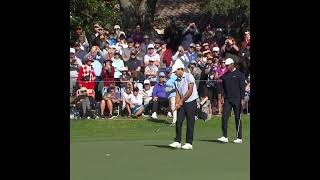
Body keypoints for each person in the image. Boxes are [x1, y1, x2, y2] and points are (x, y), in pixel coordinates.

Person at [169, 60, 198, 150]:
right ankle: (178, 141)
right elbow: (177, 92)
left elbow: (190, 91)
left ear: (180, 69)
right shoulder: (176, 81)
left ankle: (189, 143)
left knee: (190, 122)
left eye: (175, 71)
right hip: (183, 102)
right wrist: (177, 103)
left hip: (191, 102)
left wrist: (181, 101)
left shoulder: (189, 76)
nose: (175, 73)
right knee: (179, 121)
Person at [217, 58, 245, 144]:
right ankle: (225, 136)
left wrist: (242, 99)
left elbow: (242, 88)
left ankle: (239, 137)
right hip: (228, 99)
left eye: (228, 65)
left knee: (237, 118)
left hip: (237, 99)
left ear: (232, 64)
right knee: (224, 117)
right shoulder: (225, 75)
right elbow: (223, 88)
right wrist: (222, 97)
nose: (226, 67)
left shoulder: (240, 75)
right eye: (226, 65)